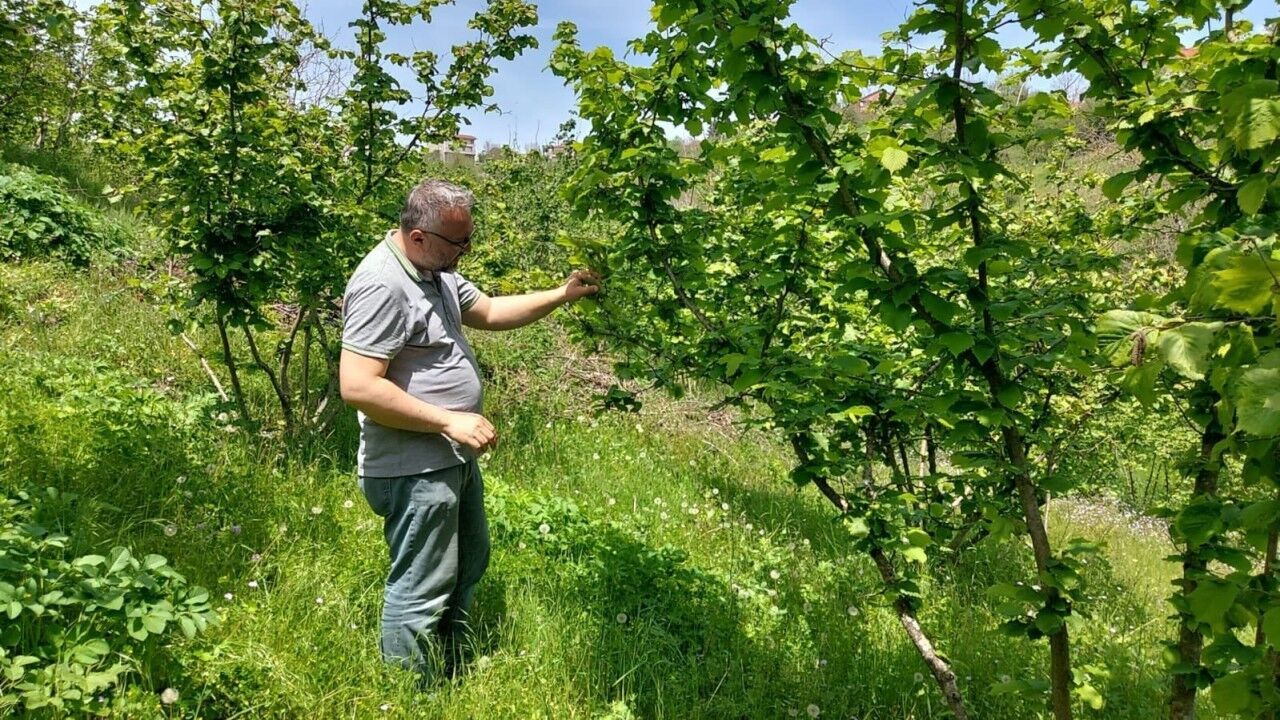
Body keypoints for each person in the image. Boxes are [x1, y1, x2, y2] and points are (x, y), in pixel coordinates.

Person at [338, 178, 600, 681]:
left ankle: (449, 665)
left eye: (468, 239)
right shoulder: (382, 284)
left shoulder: (434, 270)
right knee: (421, 586)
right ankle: (409, 693)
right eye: (458, 243)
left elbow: (491, 311)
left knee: (468, 563)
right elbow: (358, 386)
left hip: (449, 458)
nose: (466, 251)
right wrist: (449, 420)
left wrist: (562, 295)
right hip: (413, 468)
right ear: (418, 236)